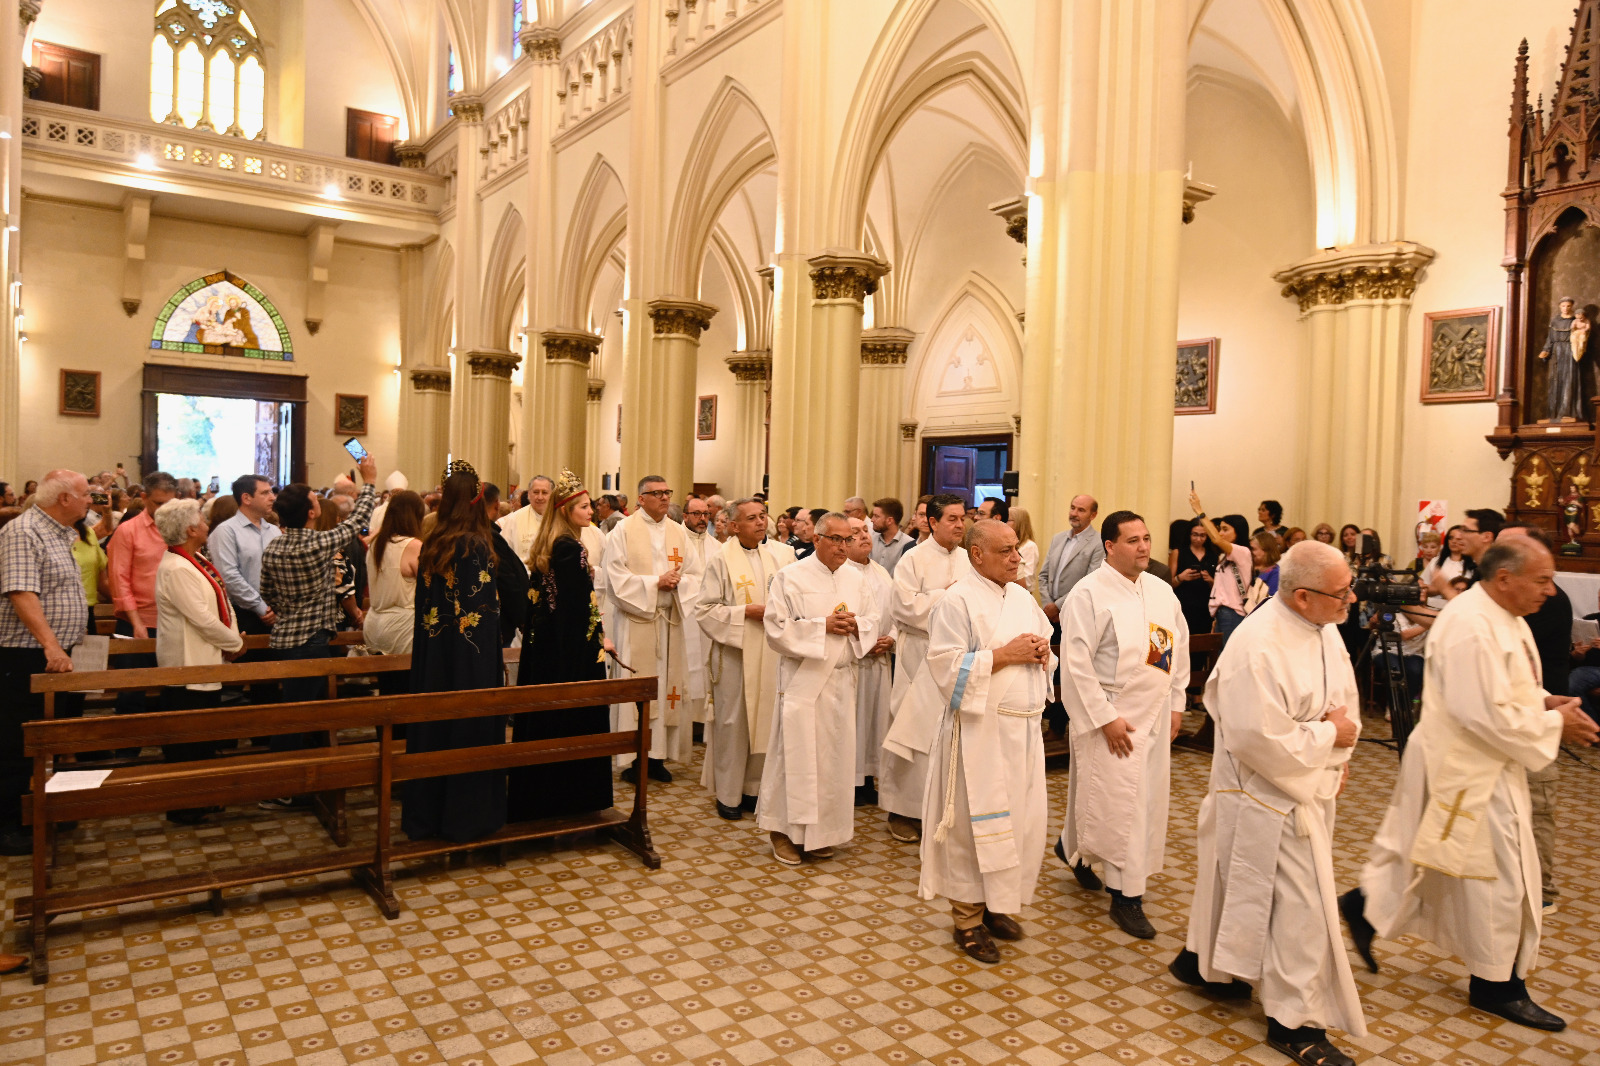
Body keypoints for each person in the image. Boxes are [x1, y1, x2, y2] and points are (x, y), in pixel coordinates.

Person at [1342, 536, 1600, 1033]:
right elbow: (1479, 711)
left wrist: (1546, 703)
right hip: (1466, 766)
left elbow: (1511, 687)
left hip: (1488, 761)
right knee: (1502, 880)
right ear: (1505, 579)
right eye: (1542, 580)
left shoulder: (1502, 616)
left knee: (1439, 861)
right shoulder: (1470, 625)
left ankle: (1365, 908)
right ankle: (1496, 986)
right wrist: (1554, 727)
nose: (1551, 591)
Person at [1172, 541, 1365, 1066]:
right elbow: (1259, 737)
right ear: (1302, 596)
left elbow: (1343, 702)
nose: (1351, 599)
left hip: (1303, 784)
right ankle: (1294, 1022)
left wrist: (1335, 754)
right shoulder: (1256, 646)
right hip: (1264, 795)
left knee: (1239, 888)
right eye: (1341, 591)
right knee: (1299, 910)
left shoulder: (1324, 630)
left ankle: (1203, 964)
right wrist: (1328, 741)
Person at [916, 519, 1054, 964]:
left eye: (1017, 549)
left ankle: (996, 905)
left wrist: (1042, 652)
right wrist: (1005, 655)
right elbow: (944, 667)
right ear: (977, 555)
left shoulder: (1020, 597)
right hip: (980, 737)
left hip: (1023, 735)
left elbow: (1043, 646)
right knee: (973, 832)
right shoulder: (956, 601)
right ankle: (967, 920)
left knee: (1016, 825)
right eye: (1006, 551)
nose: (1017, 558)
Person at [1057, 511, 1189, 938]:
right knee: (1119, 805)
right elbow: (1076, 665)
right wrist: (1105, 717)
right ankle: (1126, 896)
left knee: (1143, 801)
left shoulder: (1162, 591)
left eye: (1147, 538)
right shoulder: (1088, 593)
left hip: (1152, 709)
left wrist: (1176, 704)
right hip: (1110, 713)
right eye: (1133, 540)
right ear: (1109, 547)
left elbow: (1174, 649)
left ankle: (1070, 845)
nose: (1144, 547)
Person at [757, 512, 879, 865]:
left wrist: (857, 626)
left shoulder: (856, 578)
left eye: (849, 539)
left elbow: (873, 619)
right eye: (837, 539)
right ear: (817, 540)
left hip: (842, 681)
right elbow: (776, 628)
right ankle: (782, 832)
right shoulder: (790, 577)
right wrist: (821, 626)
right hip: (804, 681)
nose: (845, 546)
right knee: (793, 758)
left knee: (832, 762)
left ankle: (818, 835)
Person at [400, 462, 507, 843]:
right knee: (467, 731)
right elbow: (481, 618)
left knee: (435, 729)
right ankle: (467, 817)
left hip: (434, 661)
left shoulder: (434, 542)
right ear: (477, 502)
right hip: (469, 666)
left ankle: (428, 816)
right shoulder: (475, 545)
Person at [508, 470, 615, 822]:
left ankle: (542, 797)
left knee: (546, 722)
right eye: (584, 507)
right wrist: (597, 641)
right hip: (570, 654)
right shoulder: (570, 547)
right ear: (567, 510)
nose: (591, 512)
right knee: (570, 721)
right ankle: (571, 799)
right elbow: (576, 609)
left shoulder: (552, 542)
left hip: (544, 651)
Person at [259, 458, 377, 771]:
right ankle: (282, 784)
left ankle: (300, 774)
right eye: (314, 499)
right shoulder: (318, 543)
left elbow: (267, 592)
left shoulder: (273, 547)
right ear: (312, 512)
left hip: (283, 638)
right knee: (296, 716)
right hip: (312, 640)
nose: (317, 501)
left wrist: (290, 609)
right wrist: (370, 482)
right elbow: (357, 522)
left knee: (295, 711)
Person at [0, 469, 90, 858]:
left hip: (63, 653)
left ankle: (49, 808)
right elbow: (22, 593)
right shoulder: (23, 532)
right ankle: (10, 823)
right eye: (87, 494)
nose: (93, 500)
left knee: (55, 738)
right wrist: (52, 647)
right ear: (65, 499)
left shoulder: (60, 532)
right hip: (28, 655)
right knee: (19, 741)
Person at [879, 493, 971, 842]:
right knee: (911, 730)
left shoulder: (970, 559)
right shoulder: (912, 560)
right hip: (918, 654)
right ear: (932, 522)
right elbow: (903, 607)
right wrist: (944, 595)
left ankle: (942, 807)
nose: (960, 524)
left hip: (958, 658)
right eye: (952, 518)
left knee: (948, 734)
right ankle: (902, 809)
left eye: (963, 518)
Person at [602, 474, 703, 781]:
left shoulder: (678, 532)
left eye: (667, 492)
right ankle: (634, 758)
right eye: (656, 493)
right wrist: (654, 583)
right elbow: (614, 578)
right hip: (636, 624)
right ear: (641, 499)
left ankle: (657, 757)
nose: (664, 497)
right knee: (638, 689)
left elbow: (697, 575)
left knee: (666, 689)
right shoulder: (623, 531)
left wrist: (678, 584)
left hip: (668, 622)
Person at [151, 498, 245, 825]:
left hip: (206, 659)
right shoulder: (176, 567)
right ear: (191, 529)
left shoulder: (195, 559)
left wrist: (232, 637)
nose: (207, 523)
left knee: (203, 736)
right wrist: (235, 642)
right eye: (202, 520)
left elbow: (222, 597)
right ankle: (184, 804)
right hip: (186, 664)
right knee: (186, 740)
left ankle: (202, 797)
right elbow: (202, 619)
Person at [695, 498, 790, 819]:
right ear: (734, 526)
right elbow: (704, 610)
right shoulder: (721, 560)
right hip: (735, 655)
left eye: (763, 516)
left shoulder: (778, 556)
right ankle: (728, 794)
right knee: (734, 726)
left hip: (770, 653)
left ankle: (752, 789)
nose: (761, 522)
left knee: (765, 721)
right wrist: (744, 612)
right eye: (752, 518)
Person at [106, 470, 178, 716]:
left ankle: (172, 747)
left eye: (170, 504)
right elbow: (119, 579)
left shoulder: (180, 529)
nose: (164, 510)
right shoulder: (128, 530)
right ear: (145, 497)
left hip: (175, 621)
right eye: (158, 503)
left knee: (175, 687)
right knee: (131, 691)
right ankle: (128, 750)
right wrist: (136, 622)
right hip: (137, 621)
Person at [1037, 494, 1104, 737]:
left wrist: (1060, 606)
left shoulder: (1098, 543)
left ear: (1093, 515)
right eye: (1073, 507)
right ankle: (1045, 720)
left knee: (1068, 670)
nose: (1074, 513)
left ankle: (1059, 725)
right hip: (1050, 614)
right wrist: (1048, 604)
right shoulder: (1058, 539)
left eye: (1081, 510)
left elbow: (1090, 580)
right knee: (1049, 666)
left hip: (1075, 614)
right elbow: (1043, 575)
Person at [846, 516, 896, 804]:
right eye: (855, 533)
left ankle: (866, 778)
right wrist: (862, 640)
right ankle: (849, 782)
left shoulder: (882, 573)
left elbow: (898, 613)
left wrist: (891, 638)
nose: (864, 536)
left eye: (865, 530)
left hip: (879, 659)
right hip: (854, 659)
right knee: (854, 721)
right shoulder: (842, 574)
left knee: (875, 721)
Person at [363, 489, 424, 689]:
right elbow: (428, 585)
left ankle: (384, 721)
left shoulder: (375, 544)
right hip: (402, 628)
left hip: (375, 623)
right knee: (405, 688)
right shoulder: (413, 545)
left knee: (386, 686)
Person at [208, 474, 281, 637]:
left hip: (277, 614)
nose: (272, 498)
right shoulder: (226, 531)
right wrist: (261, 608)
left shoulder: (274, 531)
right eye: (265, 493)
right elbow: (229, 576)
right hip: (244, 614)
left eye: (271, 492)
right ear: (246, 498)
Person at [1189, 492, 1252, 640]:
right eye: (1220, 529)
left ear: (1238, 532)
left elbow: (1216, 540)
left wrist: (1199, 511)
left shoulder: (1243, 552)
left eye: (1225, 529)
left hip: (1234, 612)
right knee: (1218, 658)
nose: (1220, 533)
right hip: (1221, 612)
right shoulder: (1225, 556)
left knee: (1228, 658)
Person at [481, 483, 530, 647]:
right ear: (496, 504)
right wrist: (522, 618)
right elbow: (507, 580)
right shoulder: (489, 537)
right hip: (492, 620)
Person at [680, 495, 714, 727]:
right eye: (696, 514)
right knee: (686, 664)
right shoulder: (675, 541)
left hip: (708, 619)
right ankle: (685, 719)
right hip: (682, 615)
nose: (702, 519)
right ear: (685, 516)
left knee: (706, 665)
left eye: (706, 514)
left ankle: (703, 719)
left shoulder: (718, 547)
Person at [1169, 519, 1219, 657]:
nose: (1198, 539)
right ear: (1189, 535)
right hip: (1184, 605)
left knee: (1202, 648)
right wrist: (1181, 577)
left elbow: (1220, 588)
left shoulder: (1213, 556)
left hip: (1205, 607)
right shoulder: (1178, 552)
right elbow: (1169, 584)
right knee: (1182, 646)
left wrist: (1210, 580)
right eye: (1194, 534)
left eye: (1202, 535)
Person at [1537, 296, 1585, 421]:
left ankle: (1567, 412)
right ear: (1560, 306)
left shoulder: (1575, 320)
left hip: (1570, 351)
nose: (1566, 308)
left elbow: (1582, 335)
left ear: (1572, 307)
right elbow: (1550, 338)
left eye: (1568, 306)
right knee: (1556, 380)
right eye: (1563, 306)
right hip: (1557, 353)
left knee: (1569, 379)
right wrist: (1546, 350)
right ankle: (1554, 413)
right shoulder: (1555, 321)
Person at [497, 474, 553, 566]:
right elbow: (503, 552)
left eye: (544, 492)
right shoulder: (514, 519)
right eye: (536, 492)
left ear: (552, 495)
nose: (540, 497)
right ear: (529, 495)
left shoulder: (560, 518)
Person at [72, 511, 109, 607]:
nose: (89, 500)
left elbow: (102, 582)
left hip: (88, 606)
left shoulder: (88, 533)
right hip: (59, 609)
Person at [869, 497, 913, 576]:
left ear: (889, 520)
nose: (872, 520)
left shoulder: (909, 544)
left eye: (876, 516)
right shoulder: (870, 539)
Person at [1246, 532, 1282, 611]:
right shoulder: (1247, 569)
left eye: (1253, 549)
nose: (1249, 552)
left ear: (1266, 550)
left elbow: (1271, 600)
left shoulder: (1275, 573)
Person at [1008, 507, 1039, 596]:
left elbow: (1027, 579)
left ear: (1019, 523)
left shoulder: (1029, 546)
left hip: (1021, 594)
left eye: (1008, 520)